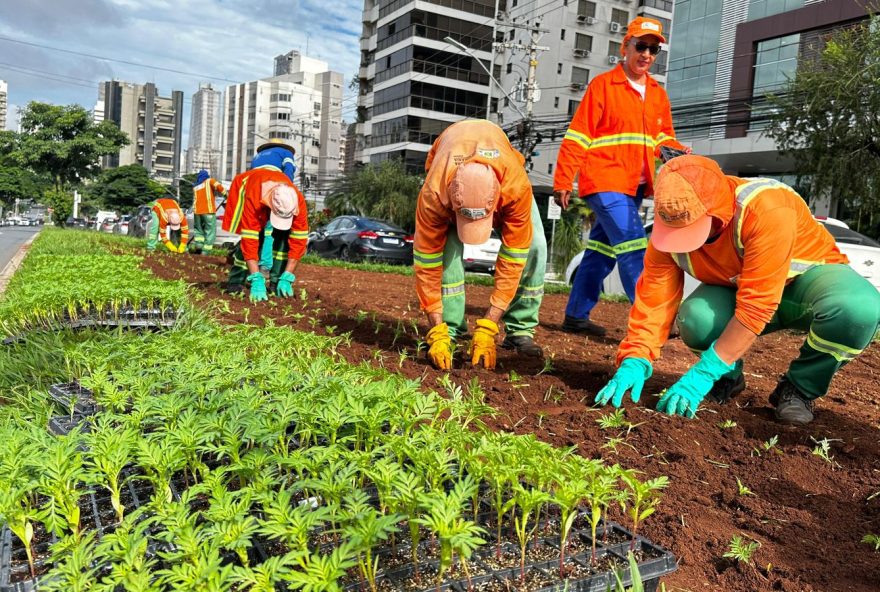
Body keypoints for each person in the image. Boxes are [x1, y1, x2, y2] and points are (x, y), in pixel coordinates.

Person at [595, 155, 880, 425]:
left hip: (806, 285)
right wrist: (635, 359)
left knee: (859, 310)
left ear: (717, 213)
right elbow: (654, 301)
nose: (682, 240)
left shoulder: (766, 207)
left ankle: (799, 388)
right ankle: (728, 377)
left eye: (692, 228)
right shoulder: (667, 226)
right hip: (742, 290)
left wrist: (702, 373)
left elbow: (757, 305)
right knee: (696, 317)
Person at [553, 16, 689, 337]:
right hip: (604, 181)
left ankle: (575, 315)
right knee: (632, 245)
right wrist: (563, 179)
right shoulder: (603, 86)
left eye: (653, 49)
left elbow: (663, 139)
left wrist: (678, 153)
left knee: (600, 251)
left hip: (635, 185)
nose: (646, 54)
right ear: (624, 46)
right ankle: (651, 319)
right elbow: (578, 137)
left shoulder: (657, 94)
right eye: (641, 46)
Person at [414, 120, 547, 370]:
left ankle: (520, 329)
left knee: (536, 246)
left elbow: (513, 260)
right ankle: (449, 330)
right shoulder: (434, 194)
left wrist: (489, 324)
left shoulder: (516, 188)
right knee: (445, 255)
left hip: (503, 169)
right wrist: (436, 330)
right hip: (448, 158)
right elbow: (426, 263)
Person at [222, 139, 309, 302]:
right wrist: (256, 277)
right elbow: (249, 238)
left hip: (276, 189)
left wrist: (289, 275)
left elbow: (299, 241)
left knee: (284, 239)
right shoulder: (255, 197)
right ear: (268, 204)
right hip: (254, 187)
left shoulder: (297, 199)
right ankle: (238, 281)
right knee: (256, 237)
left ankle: (278, 282)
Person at [190, 170, 226, 254]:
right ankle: (205, 251)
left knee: (198, 230)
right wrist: (226, 194)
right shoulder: (209, 181)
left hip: (197, 212)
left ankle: (199, 245)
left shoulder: (195, 186)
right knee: (210, 231)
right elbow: (219, 187)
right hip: (208, 211)